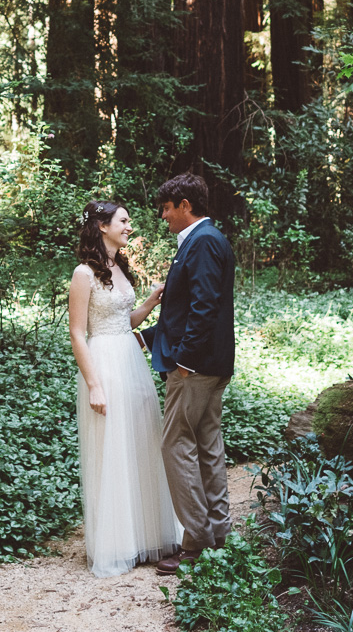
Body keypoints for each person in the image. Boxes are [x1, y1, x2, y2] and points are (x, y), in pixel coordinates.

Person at [68, 199, 181, 576]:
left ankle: (144, 536)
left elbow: (123, 320)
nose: (129, 226)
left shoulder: (119, 267)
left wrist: (150, 300)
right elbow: (78, 333)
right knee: (112, 449)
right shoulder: (83, 273)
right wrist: (94, 385)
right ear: (102, 226)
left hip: (131, 361)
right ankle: (116, 544)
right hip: (104, 363)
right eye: (123, 221)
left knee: (140, 441)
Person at [136, 173, 237, 575]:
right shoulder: (204, 241)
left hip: (196, 369)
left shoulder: (203, 241)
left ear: (184, 204)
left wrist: (185, 360)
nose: (163, 216)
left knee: (175, 445)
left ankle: (195, 544)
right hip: (209, 364)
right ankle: (216, 533)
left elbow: (205, 306)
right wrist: (149, 339)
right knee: (207, 444)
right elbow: (185, 309)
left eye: (166, 208)